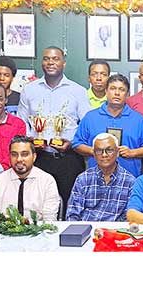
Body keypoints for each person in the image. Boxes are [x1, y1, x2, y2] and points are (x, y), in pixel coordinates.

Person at [17, 46, 91, 210]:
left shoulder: (78, 91)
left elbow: (86, 126)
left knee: (71, 205)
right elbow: (21, 124)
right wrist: (31, 141)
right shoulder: (29, 90)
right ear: (41, 62)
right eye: (46, 58)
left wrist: (71, 143)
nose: (50, 62)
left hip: (69, 159)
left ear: (63, 63)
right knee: (36, 205)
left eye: (55, 58)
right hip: (39, 158)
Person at [74, 74, 143, 176]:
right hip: (96, 179)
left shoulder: (139, 120)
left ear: (127, 94)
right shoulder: (91, 117)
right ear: (106, 91)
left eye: (121, 89)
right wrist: (95, 151)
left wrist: (132, 152)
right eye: (113, 88)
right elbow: (76, 144)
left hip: (129, 180)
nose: (117, 93)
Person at [0, 136, 60, 221]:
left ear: (34, 157)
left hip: (39, 233)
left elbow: (49, 221)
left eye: (24, 154)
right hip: (3, 233)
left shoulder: (47, 181)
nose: (19, 159)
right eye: (14, 154)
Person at [66, 133, 136, 221]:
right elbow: (72, 214)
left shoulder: (130, 181)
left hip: (113, 231)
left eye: (109, 150)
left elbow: (128, 217)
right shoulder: (83, 179)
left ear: (117, 152)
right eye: (99, 151)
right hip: (85, 229)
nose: (104, 155)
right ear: (94, 154)